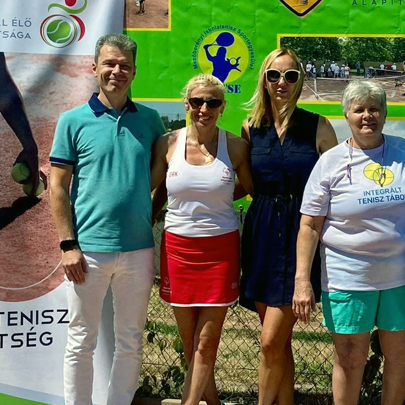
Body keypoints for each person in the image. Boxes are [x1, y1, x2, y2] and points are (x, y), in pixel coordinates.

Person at [49, 34, 166, 405]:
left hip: (137, 252)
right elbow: (57, 188)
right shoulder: (72, 121)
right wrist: (69, 244)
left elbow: (162, 175)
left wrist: (152, 212)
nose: (117, 71)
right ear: (94, 67)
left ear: (134, 71)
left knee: (130, 340)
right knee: (82, 339)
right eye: (110, 64)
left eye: (125, 65)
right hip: (87, 253)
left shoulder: (150, 121)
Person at [293, 80, 405, 405]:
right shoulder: (331, 161)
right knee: (349, 358)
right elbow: (309, 225)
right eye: (359, 109)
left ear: (385, 113)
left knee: (402, 354)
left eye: (374, 108)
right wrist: (302, 281)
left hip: (400, 278)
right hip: (347, 277)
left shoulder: (404, 150)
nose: (367, 116)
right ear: (346, 114)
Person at [240, 48, 338, 405]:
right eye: (274, 75)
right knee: (278, 343)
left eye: (290, 76)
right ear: (264, 80)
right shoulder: (250, 127)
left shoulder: (319, 126)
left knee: (269, 342)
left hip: (302, 235)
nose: (281, 83)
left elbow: (337, 185)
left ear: (300, 81)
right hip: (262, 234)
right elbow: (244, 181)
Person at [149, 74, 254, 405]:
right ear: (186, 104)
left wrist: (219, 197)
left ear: (223, 107)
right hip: (178, 250)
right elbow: (154, 188)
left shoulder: (236, 146)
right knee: (189, 340)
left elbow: (251, 190)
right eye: (197, 101)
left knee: (206, 342)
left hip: (220, 251)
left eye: (212, 102)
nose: (204, 108)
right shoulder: (167, 143)